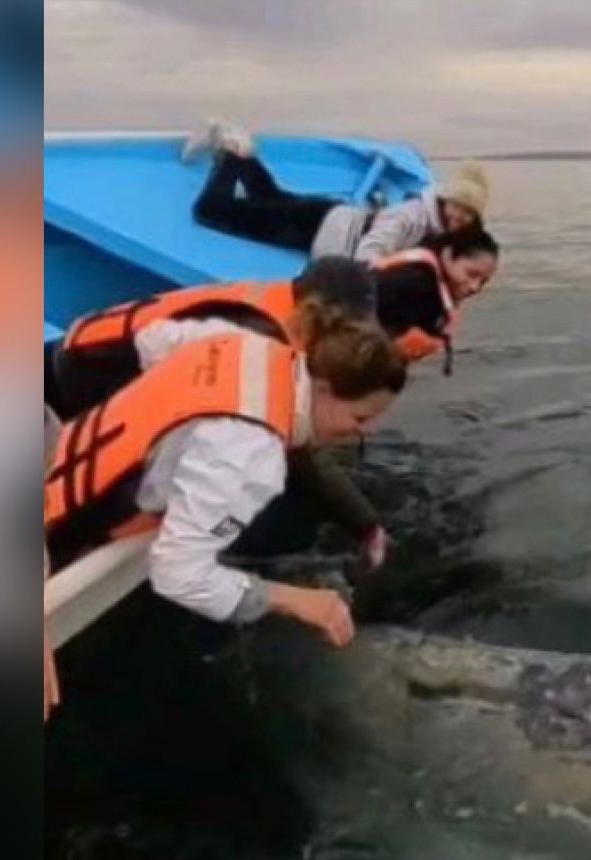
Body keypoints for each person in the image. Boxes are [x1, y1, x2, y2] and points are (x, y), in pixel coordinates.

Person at [44, 307, 408, 651]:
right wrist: (296, 600)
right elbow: (178, 575)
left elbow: (154, 342)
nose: (365, 432)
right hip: (55, 528)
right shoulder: (251, 455)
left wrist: (168, 440)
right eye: (360, 419)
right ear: (325, 389)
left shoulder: (244, 344)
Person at [49, 256, 395, 572]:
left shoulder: (275, 309)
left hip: (74, 354)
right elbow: (301, 451)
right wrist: (363, 523)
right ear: (324, 320)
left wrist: (362, 520)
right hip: (80, 382)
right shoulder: (260, 347)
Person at [182, 118, 490, 262]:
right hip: (317, 230)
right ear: (445, 200)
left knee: (269, 198)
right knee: (211, 211)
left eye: (468, 213)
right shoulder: (414, 217)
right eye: (458, 207)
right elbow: (372, 247)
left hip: (332, 216)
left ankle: (242, 155)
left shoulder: (437, 224)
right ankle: (228, 146)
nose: (460, 216)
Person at [371, 225, 502, 374]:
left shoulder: (431, 289)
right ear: (448, 255)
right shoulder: (414, 284)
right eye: (471, 274)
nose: (475, 287)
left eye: (483, 281)